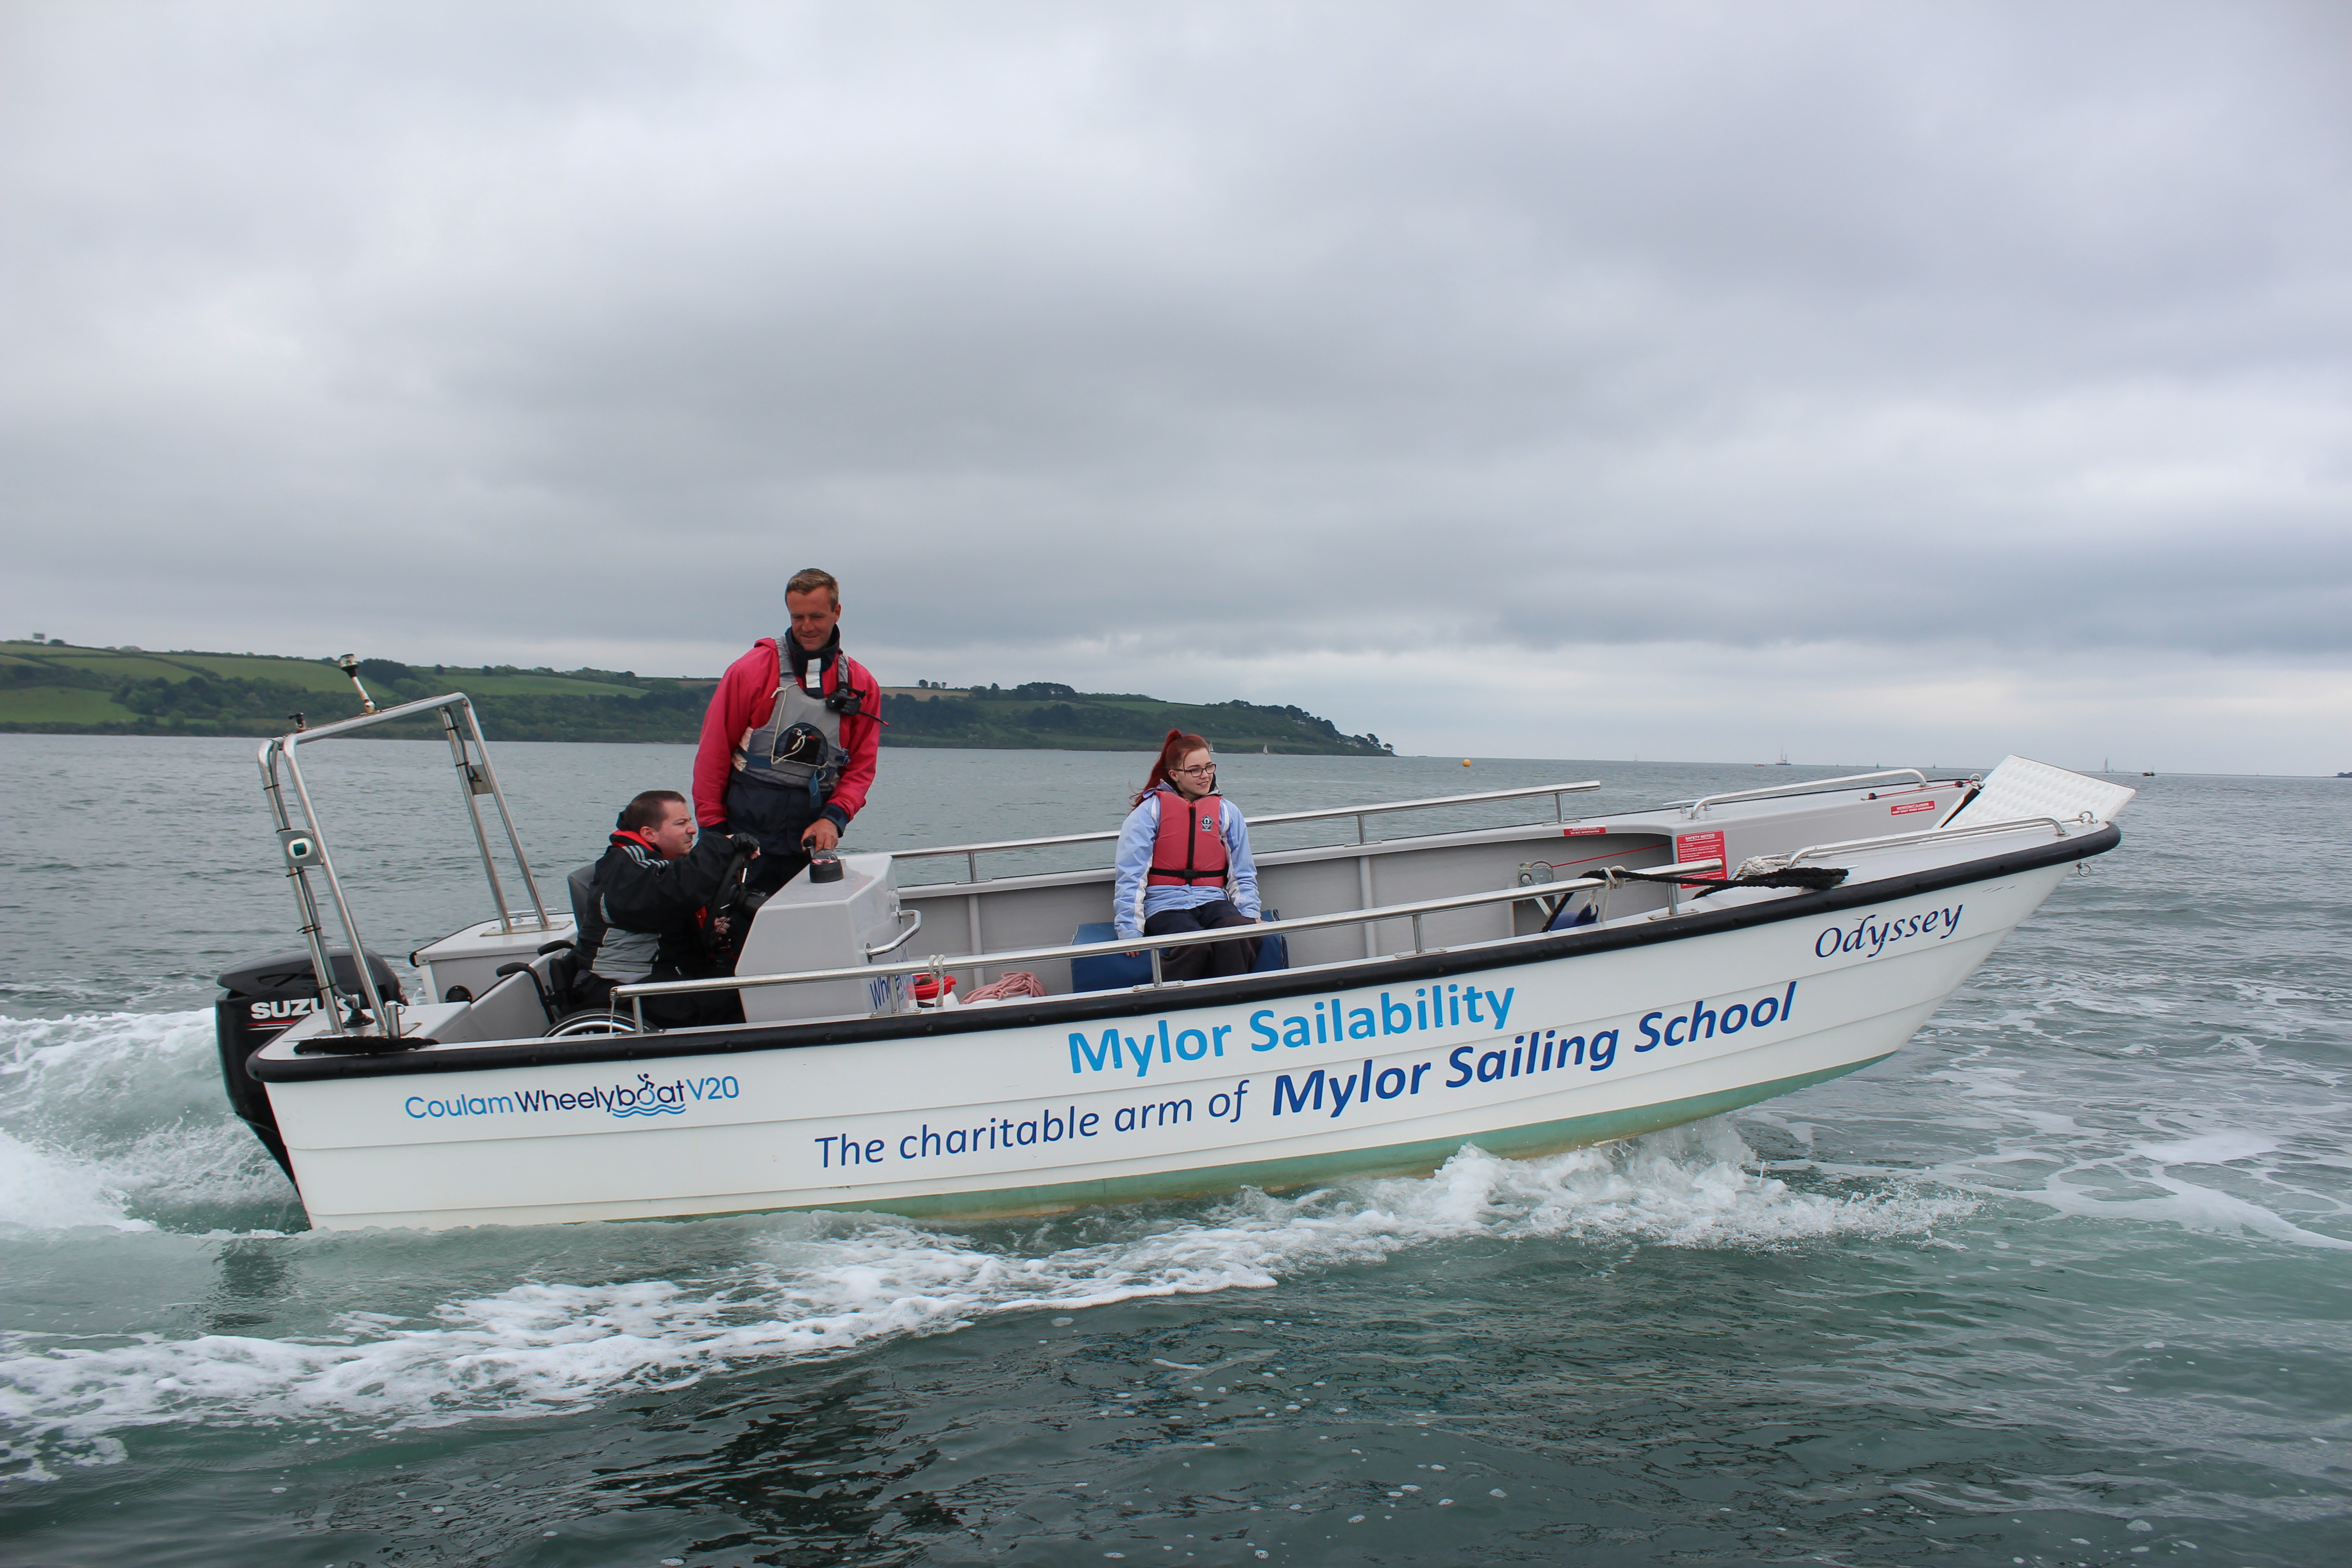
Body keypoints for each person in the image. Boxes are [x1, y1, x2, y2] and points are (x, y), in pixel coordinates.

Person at [694, 567, 884, 896]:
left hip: (809, 841)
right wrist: (713, 831)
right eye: (798, 617)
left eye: (817, 616)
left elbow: (861, 769)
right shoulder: (750, 671)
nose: (807, 627)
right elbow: (714, 752)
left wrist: (834, 819)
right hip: (744, 834)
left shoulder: (861, 684)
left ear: (837, 612)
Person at [587, 790, 759, 1027]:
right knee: (734, 1002)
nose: (693, 829)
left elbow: (664, 913)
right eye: (681, 823)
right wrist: (720, 844)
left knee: (746, 980)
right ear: (650, 834)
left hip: (662, 969)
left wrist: (706, 929)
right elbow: (681, 889)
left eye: (690, 821)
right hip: (622, 985)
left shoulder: (660, 861)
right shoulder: (627, 866)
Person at [1113, 729, 1262, 981]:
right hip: (1164, 905)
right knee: (1194, 945)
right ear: (1175, 775)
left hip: (1213, 899)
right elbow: (1131, 874)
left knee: (1237, 933)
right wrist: (1130, 929)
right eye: (1195, 770)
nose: (1205, 775)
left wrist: (1250, 916)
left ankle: (1231, 996)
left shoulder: (1227, 812)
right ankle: (1175, 1000)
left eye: (1209, 767)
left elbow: (1243, 872)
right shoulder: (1149, 813)